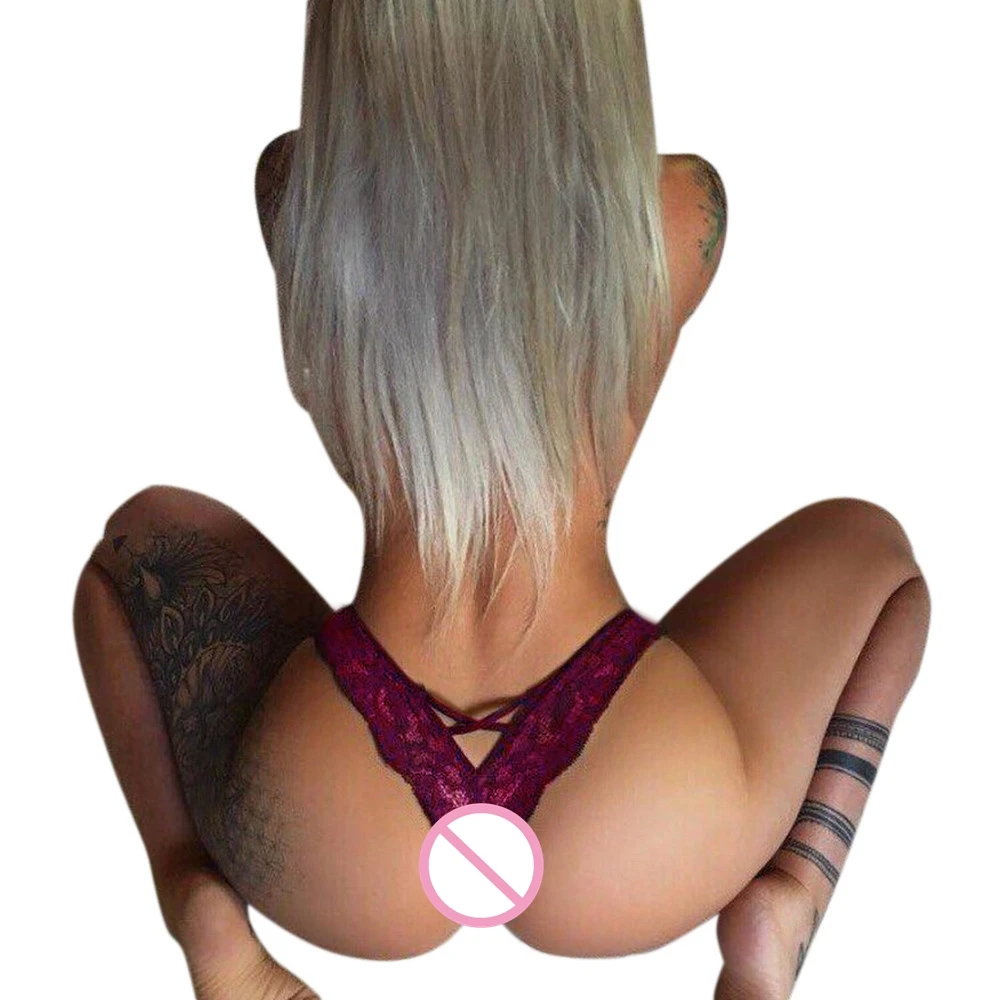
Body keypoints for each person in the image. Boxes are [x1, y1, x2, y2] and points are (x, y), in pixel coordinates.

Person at [72, 2, 930, 998]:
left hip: (338, 797)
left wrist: (197, 863)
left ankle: (198, 904)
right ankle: (788, 897)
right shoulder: (676, 211)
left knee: (132, 545)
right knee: (877, 552)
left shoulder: (299, 194)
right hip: (637, 793)